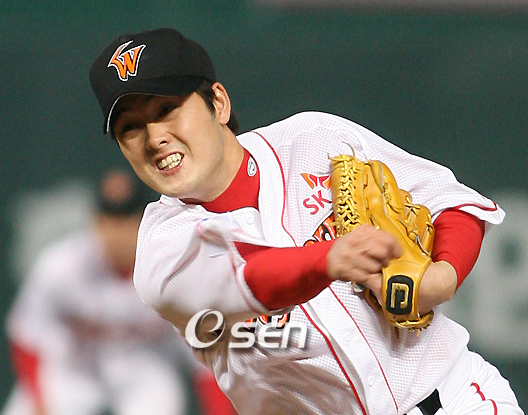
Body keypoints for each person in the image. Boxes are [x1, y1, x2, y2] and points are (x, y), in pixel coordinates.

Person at [88, 28, 524, 415]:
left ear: (217, 103)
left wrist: (443, 276)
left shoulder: (312, 139)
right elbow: (256, 277)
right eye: (130, 127)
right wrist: (329, 257)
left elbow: (449, 201)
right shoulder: (161, 254)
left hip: (455, 398)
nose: (154, 137)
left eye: (167, 109)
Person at [3, 169, 236, 415]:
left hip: (145, 369)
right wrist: (38, 401)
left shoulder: (177, 272)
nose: (117, 232)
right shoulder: (63, 265)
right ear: (95, 222)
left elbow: (208, 362)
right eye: (109, 219)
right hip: (75, 369)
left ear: (146, 221)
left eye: (127, 220)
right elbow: (26, 333)